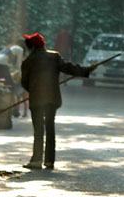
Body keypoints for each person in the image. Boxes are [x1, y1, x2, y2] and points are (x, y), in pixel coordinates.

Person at [21, 32, 91, 170]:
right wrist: (85, 71)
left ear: (32, 46)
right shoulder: (54, 57)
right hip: (52, 99)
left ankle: (36, 160)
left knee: (39, 130)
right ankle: (49, 161)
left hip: (36, 100)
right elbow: (69, 68)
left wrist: (34, 90)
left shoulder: (28, 61)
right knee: (50, 128)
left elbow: (25, 83)